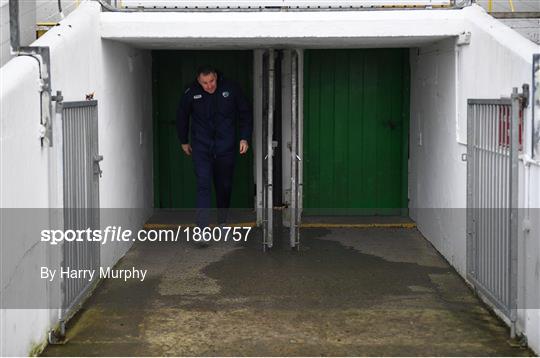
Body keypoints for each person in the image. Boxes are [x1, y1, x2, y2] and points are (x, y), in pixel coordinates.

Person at [176, 66, 253, 230]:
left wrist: (244, 138)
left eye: (211, 81)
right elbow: (182, 116)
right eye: (205, 83)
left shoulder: (231, 88)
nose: (209, 86)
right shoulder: (191, 92)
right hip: (202, 147)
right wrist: (183, 140)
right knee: (203, 184)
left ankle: (222, 220)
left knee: (224, 185)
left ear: (216, 77)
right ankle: (202, 228)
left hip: (226, 147)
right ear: (199, 81)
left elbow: (245, 112)